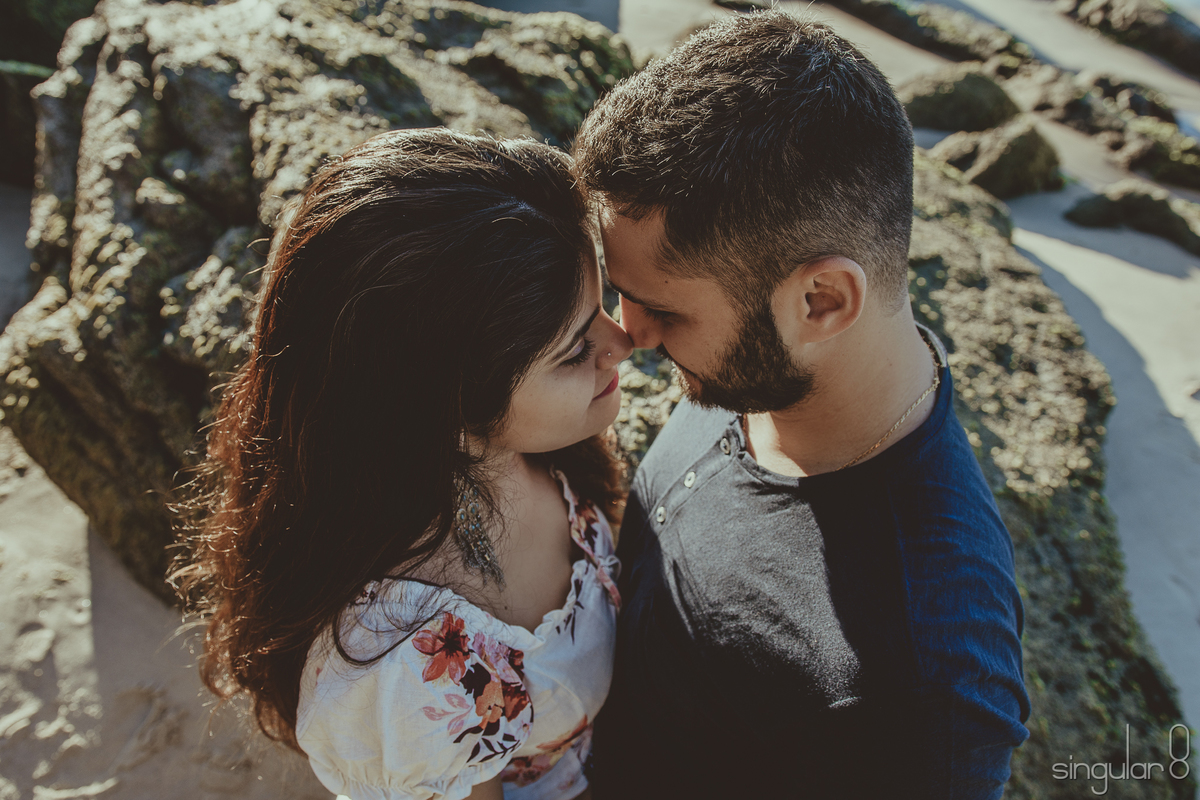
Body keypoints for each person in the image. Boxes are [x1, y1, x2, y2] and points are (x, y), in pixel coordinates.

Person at [571, 11, 1030, 799]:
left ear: (822, 301)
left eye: (664, 312)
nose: (626, 332)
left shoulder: (921, 685)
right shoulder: (764, 368)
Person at [172, 128, 633, 800]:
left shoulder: (539, 448)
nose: (620, 342)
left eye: (600, 308)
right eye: (573, 349)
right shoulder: (403, 661)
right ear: (444, 405)